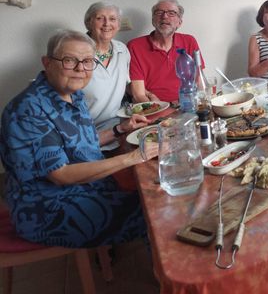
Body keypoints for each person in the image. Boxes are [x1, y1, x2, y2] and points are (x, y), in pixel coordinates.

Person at [0, 30, 158, 248]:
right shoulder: (28, 110)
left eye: (87, 61)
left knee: (154, 191)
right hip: (49, 208)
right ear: (47, 63)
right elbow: (60, 175)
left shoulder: (74, 95)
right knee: (155, 211)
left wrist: (120, 129)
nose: (80, 69)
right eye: (69, 60)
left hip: (87, 187)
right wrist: (134, 157)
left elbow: (82, 144)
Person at [128, 0, 203, 102]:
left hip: (188, 103)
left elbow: (199, 80)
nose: (164, 16)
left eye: (171, 13)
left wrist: (203, 102)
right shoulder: (135, 46)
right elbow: (139, 95)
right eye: (159, 12)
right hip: (155, 105)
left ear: (179, 22)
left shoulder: (189, 41)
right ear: (153, 20)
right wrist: (156, 108)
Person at [82, 2, 131, 131]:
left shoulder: (122, 49)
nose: (106, 24)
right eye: (100, 18)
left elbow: (126, 84)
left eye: (112, 19)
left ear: (118, 25)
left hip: (116, 124)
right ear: (89, 23)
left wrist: (147, 95)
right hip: (84, 128)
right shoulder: (77, 51)